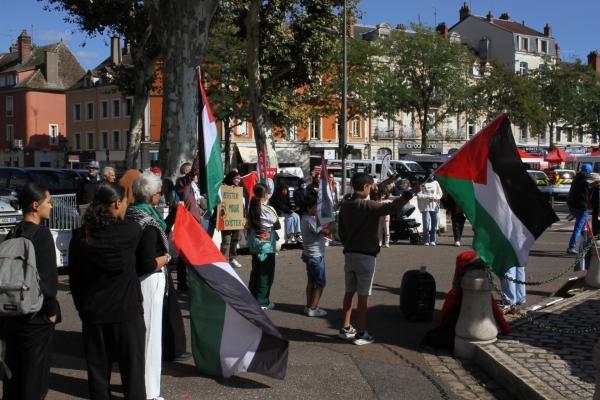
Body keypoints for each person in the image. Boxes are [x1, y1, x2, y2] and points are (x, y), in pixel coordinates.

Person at [69, 182, 146, 400]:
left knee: (98, 377)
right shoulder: (132, 231)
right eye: (125, 203)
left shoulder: (80, 237)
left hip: (95, 314)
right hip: (127, 313)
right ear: (117, 203)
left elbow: (75, 280)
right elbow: (142, 262)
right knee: (133, 376)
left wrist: (81, 309)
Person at [337, 172, 422, 345]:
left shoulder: (345, 205)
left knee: (349, 292)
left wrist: (349, 243)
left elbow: (341, 232)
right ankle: (360, 333)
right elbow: (392, 207)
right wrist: (411, 192)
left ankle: (345, 327)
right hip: (366, 254)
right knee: (363, 295)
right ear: (367, 187)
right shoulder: (368, 205)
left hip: (350, 253)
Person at [1, 183, 59, 400]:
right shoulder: (42, 235)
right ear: (35, 206)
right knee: (35, 377)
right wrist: (51, 312)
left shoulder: (13, 232)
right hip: (36, 316)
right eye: (48, 202)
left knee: (13, 373)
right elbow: (48, 280)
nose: (51, 207)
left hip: (11, 312)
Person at [126, 172, 171, 400]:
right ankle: (150, 392)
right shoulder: (149, 222)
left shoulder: (130, 214)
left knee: (141, 336)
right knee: (151, 336)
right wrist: (165, 259)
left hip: (132, 281)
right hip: (148, 280)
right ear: (154, 196)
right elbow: (147, 262)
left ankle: (140, 387)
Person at [421, 252, 511, 348]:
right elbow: (495, 310)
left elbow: (445, 312)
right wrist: (506, 329)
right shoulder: (479, 285)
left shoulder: (454, 293)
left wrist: (439, 327)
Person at [300, 196, 335, 317]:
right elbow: (326, 232)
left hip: (309, 254)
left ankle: (309, 305)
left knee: (311, 281)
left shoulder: (306, 218)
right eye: (315, 207)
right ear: (309, 208)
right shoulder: (310, 220)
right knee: (320, 283)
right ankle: (313, 308)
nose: (317, 209)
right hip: (315, 255)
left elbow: (324, 230)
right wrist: (336, 221)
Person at [247, 183, 280, 310]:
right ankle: (262, 301)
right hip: (266, 246)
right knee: (266, 274)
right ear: (265, 194)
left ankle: (252, 297)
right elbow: (277, 225)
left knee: (255, 272)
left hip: (255, 245)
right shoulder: (268, 209)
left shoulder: (251, 207)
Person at [175, 154, 203, 292]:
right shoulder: (184, 182)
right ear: (186, 172)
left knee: (190, 254)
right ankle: (183, 283)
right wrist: (199, 154)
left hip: (194, 222)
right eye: (193, 175)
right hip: (188, 224)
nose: (196, 178)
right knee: (185, 254)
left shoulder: (191, 187)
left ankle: (185, 282)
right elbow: (195, 171)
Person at [567, 163, 593, 254]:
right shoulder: (589, 180)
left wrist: (569, 205)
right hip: (583, 206)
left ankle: (588, 242)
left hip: (574, 205)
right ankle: (571, 246)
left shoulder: (575, 179)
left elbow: (569, 194)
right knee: (579, 227)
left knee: (582, 226)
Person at [220, 171, 244, 268]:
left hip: (236, 218)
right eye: (236, 179)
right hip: (225, 219)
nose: (238, 181)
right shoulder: (222, 188)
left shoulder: (238, 190)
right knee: (226, 240)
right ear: (231, 179)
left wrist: (243, 217)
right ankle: (223, 261)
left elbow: (242, 205)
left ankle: (232, 258)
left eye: (239, 179)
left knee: (235, 239)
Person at [417, 168, 443, 246]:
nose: (431, 176)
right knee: (426, 223)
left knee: (434, 224)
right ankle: (425, 240)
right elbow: (419, 195)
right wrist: (428, 197)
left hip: (434, 206)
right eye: (430, 174)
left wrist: (435, 197)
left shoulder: (436, 183)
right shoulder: (423, 183)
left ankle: (433, 240)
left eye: (432, 174)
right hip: (425, 207)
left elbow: (440, 193)